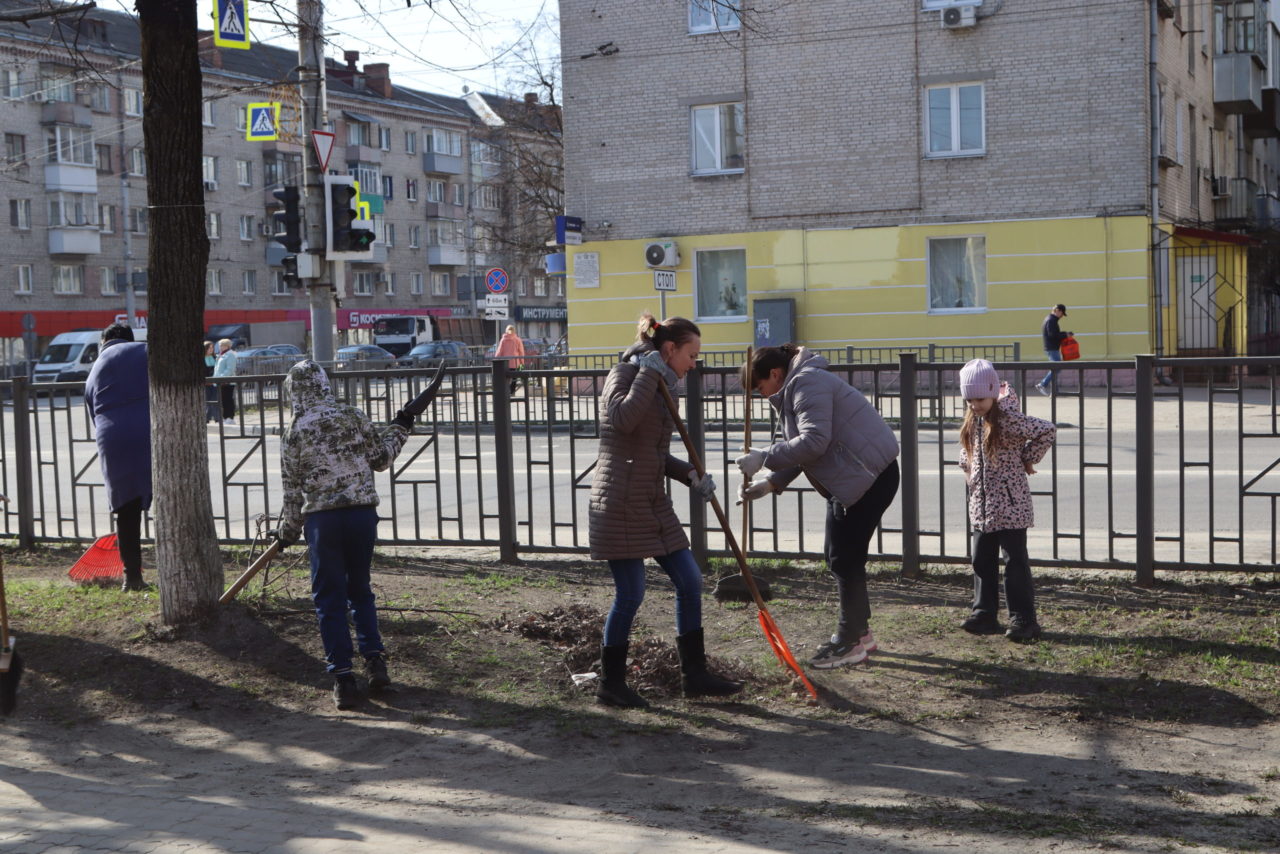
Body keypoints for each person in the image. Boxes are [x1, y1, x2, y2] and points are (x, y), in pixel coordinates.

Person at [589, 312, 742, 708]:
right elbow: (622, 422)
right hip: (619, 502)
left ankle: (695, 676)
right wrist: (647, 373)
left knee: (690, 581)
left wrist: (690, 473)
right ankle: (611, 683)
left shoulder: (660, 382)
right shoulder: (624, 374)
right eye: (690, 355)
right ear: (669, 348)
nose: (694, 364)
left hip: (652, 502)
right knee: (631, 593)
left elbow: (652, 452)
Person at [275, 360, 429, 710]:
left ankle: (343, 680)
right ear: (324, 384)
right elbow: (381, 459)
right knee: (360, 590)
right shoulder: (353, 416)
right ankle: (376, 663)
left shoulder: (294, 432)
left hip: (323, 523)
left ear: (292, 391)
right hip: (362, 516)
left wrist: (287, 533)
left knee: (329, 599)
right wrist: (401, 427)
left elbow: (292, 494)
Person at [737, 344, 900, 670]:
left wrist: (764, 458)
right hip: (857, 477)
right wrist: (771, 483)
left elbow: (814, 441)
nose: (759, 394)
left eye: (759, 387)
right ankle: (860, 633)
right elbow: (807, 450)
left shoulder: (806, 383)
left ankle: (849, 642)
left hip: (867, 477)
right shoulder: (797, 385)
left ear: (775, 373)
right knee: (840, 555)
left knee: (844, 558)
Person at [957, 359, 1057, 641]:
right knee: (981, 560)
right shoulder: (973, 420)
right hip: (982, 505)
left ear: (992, 392)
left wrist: (1027, 458)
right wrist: (967, 470)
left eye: (980, 398)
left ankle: (1023, 619)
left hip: (1011, 505)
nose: (975, 404)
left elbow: (1047, 430)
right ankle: (983, 614)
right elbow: (966, 450)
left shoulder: (1010, 419)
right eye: (969, 399)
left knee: (1015, 564)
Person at [83, 323, 152, 592]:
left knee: (127, 510)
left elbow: (92, 409)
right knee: (171, 501)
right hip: (152, 430)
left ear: (105, 341)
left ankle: (132, 577)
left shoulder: (97, 366)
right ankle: (177, 568)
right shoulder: (146, 351)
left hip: (112, 436)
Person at [1035, 304, 1072, 396]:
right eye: (1062, 313)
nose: (1062, 316)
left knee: (1055, 368)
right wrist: (1065, 335)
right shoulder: (1051, 320)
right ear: (1057, 310)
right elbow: (1052, 335)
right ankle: (1042, 384)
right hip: (1052, 348)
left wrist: (1064, 333)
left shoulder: (1050, 319)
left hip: (1051, 347)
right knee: (1057, 368)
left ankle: (1055, 391)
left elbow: (1054, 334)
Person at [494, 325, 526, 395]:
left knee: (505, 378)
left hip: (505, 363)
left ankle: (506, 391)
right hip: (515, 363)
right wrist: (522, 363)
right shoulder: (517, 340)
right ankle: (512, 392)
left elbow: (499, 351)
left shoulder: (503, 340)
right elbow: (521, 352)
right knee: (514, 378)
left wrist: (496, 360)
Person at [213, 338, 238, 422]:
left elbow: (230, 369)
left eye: (222, 345)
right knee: (223, 400)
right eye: (220, 345)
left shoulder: (230, 355)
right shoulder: (221, 354)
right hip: (220, 381)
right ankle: (225, 417)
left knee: (228, 400)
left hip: (227, 382)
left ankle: (230, 417)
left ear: (227, 346)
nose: (220, 347)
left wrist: (222, 377)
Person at [202, 341, 219, 423]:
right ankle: (206, 418)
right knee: (207, 400)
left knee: (215, 400)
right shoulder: (202, 358)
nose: (211, 349)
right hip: (206, 382)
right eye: (209, 348)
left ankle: (217, 417)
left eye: (212, 347)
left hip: (214, 382)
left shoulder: (215, 357)